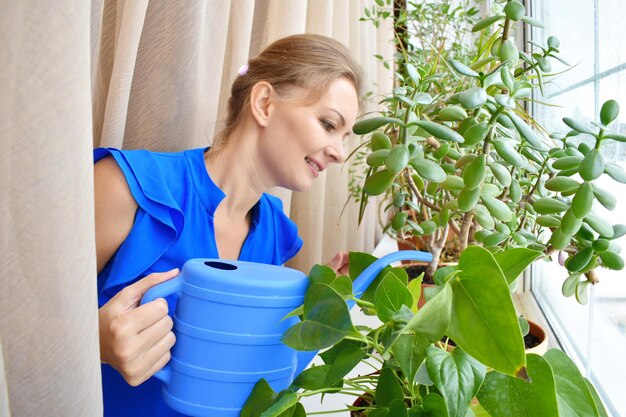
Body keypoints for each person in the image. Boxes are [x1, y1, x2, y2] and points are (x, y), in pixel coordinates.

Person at [93, 34, 362, 416]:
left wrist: (327, 308)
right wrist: (94, 342)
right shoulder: (128, 188)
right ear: (265, 103)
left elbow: (255, 376)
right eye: (329, 124)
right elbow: (17, 319)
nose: (339, 152)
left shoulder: (276, 235)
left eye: (345, 136)